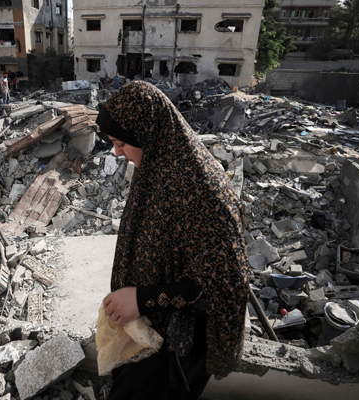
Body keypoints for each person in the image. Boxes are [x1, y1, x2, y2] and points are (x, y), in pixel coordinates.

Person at [96, 82, 249, 400]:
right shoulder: (157, 164)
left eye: (122, 143)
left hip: (179, 345)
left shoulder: (202, 191)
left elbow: (220, 283)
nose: (117, 152)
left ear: (146, 133)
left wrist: (141, 299)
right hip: (150, 329)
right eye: (113, 143)